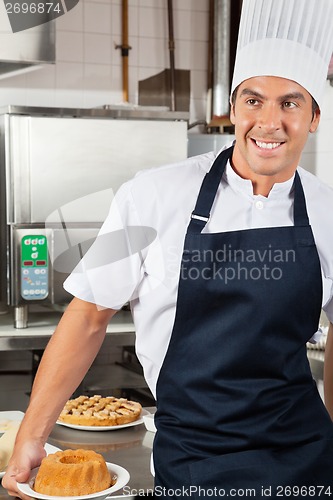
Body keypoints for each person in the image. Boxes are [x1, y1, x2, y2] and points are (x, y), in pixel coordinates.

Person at [3, 0, 333, 498]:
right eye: (253, 100)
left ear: (314, 117)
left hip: (306, 461)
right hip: (194, 461)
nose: (269, 121)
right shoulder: (148, 194)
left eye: (290, 103)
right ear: (233, 107)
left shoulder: (328, 210)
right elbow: (90, 312)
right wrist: (33, 434)